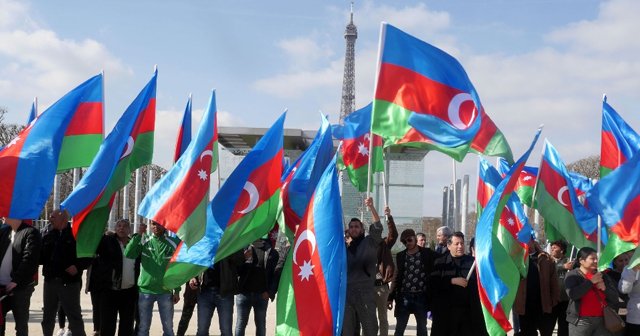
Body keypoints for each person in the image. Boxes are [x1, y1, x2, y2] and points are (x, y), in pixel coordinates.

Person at [124, 221, 181, 336]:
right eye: (153, 224)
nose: (156, 227)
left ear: (165, 225)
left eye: (159, 224)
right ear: (150, 225)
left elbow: (178, 268)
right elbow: (128, 253)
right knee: (143, 328)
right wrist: (139, 234)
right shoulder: (144, 240)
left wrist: (177, 290)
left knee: (168, 329)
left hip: (165, 291)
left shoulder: (174, 243)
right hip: (145, 291)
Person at [40, 209, 90, 336]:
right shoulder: (47, 234)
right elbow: (40, 257)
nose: (50, 219)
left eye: (53, 217)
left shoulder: (76, 234)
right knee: (47, 317)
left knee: (74, 317)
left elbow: (88, 256)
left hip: (69, 283)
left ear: (63, 219)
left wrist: (78, 267)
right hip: (50, 282)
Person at [430, 231, 486, 336]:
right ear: (449, 245)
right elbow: (434, 284)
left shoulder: (473, 263)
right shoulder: (440, 262)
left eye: (462, 243)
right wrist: (452, 281)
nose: (460, 246)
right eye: (457, 244)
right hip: (446, 314)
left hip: (468, 314)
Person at [91, 219, 139, 336]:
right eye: (119, 226)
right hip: (109, 291)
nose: (121, 228)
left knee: (127, 326)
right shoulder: (107, 241)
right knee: (107, 326)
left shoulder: (134, 244)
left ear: (129, 229)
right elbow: (93, 243)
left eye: (124, 226)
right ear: (115, 228)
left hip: (129, 292)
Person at [343, 197, 383, 336]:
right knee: (347, 330)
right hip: (347, 293)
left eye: (357, 227)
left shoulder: (369, 242)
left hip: (365, 292)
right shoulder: (343, 247)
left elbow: (377, 226)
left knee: (370, 328)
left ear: (362, 229)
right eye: (351, 227)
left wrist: (371, 207)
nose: (354, 229)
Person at [387, 229, 436, 336]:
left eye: (409, 240)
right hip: (404, 297)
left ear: (414, 238)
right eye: (404, 242)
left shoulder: (427, 253)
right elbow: (396, 277)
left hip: (421, 296)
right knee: (399, 328)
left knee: (422, 329)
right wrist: (390, 297)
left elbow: (442, 260)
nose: (407, 243)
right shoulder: (401, 256)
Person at [565, 247, 620, 335]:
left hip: (603, 321)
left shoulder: (602, 275)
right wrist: (591, 282)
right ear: (581, 260)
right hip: (581, 322)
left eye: (596, 259)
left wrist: (605, 289)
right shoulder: (572, 275)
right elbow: (573, 295)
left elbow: (615, 298)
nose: (595, 261)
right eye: (592, 258)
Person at [0, 217, 41, 336]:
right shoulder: (4, 232)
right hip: (2, 288)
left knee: (21, 325)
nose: (2, 216)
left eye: (6, 213)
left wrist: (16, 281)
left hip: (20, 288)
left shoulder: (31, 232)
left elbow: (29, 260)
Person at [235, 238, 282, 336]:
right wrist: (243, 258)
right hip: (243, 294)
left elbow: (275, 275)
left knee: (260, 324)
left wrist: (270, 292)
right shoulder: (244, 248)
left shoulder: (271, 252)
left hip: (261, 295)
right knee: (241, 324)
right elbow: (235, 270)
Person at [513, 239, 560, 336]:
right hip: (524, 305)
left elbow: (554, 282)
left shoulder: (546, 259)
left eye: (526, 240)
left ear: (533, 241)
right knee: (527, 332)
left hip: (543, 304)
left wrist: (554, 301)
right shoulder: (517, 259)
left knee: (546, 331)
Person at [193, 250, 244, 336]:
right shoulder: (205, 239)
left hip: (225, 292)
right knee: (202, 330)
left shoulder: (230, 240)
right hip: (205, 291)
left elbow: (239, 261)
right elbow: (196, 261)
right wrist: (193, 277)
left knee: (226, 331)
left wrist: (229, 250)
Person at [374, 205, 397, 336]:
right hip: (367, 287)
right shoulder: (366, 245)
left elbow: (393, 234)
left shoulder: (385, 244)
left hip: (381, 287)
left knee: (382, 318)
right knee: (368, 318)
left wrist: (389, 217)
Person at [550, 240, 572, 336]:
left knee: (563, 327)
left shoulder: (569, 261)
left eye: (555, 248)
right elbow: (548, 269)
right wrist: (562, 267)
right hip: (551, 301)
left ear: (562, 250)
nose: (552, 249)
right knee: (548, 326)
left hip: (565, 301)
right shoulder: (548, 261)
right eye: (552, 247)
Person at [619, 260, 640, 336]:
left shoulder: (630, 267)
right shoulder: (630, 268)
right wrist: (632, 270)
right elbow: (624, 290)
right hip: (636, 315)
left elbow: (624, 290)